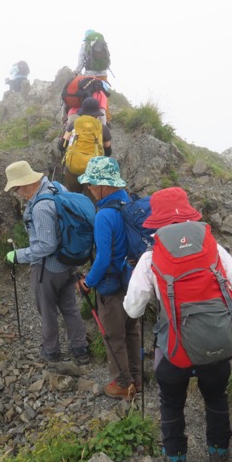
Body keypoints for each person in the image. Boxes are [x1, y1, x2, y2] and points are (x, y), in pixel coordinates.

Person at [123, 187, 232, 462]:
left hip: (174, 350)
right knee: (216, 397)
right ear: (188, 216)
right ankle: (218, 456)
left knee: (171, 401)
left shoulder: (149, 259)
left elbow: (132, 310)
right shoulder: (213, 249)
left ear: (157, 223)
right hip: (215, 345)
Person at [3, 160, 90, 364]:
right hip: (69, 262)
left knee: (47, 309)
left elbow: (46, 246)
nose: (17, 193)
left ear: (26, 183)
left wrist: (18, 255)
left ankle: (51, 351)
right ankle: (80, 349)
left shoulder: (41, 207)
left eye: (16, 188)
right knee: (69, 307)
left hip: (48, 269)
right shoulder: (57, 187)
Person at [76, 157, 142, 399]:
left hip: (111, 284)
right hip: (132, 281)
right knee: (132, 329)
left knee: (114, 335)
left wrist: (88, 283)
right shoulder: (129, 201)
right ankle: (138, 377)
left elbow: (103, 258)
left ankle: (124, 384)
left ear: (104, 184)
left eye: (92, 184)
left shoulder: (105, 215)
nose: (90, 189)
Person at [59, 97, 112, 194]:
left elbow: (61, 146)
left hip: (72, 168)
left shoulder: (73, 125)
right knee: (92, 199)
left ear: (82, 112)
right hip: (93, 170)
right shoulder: (103, 128)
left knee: (74, 197)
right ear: (96, 114)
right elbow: (108, 151)